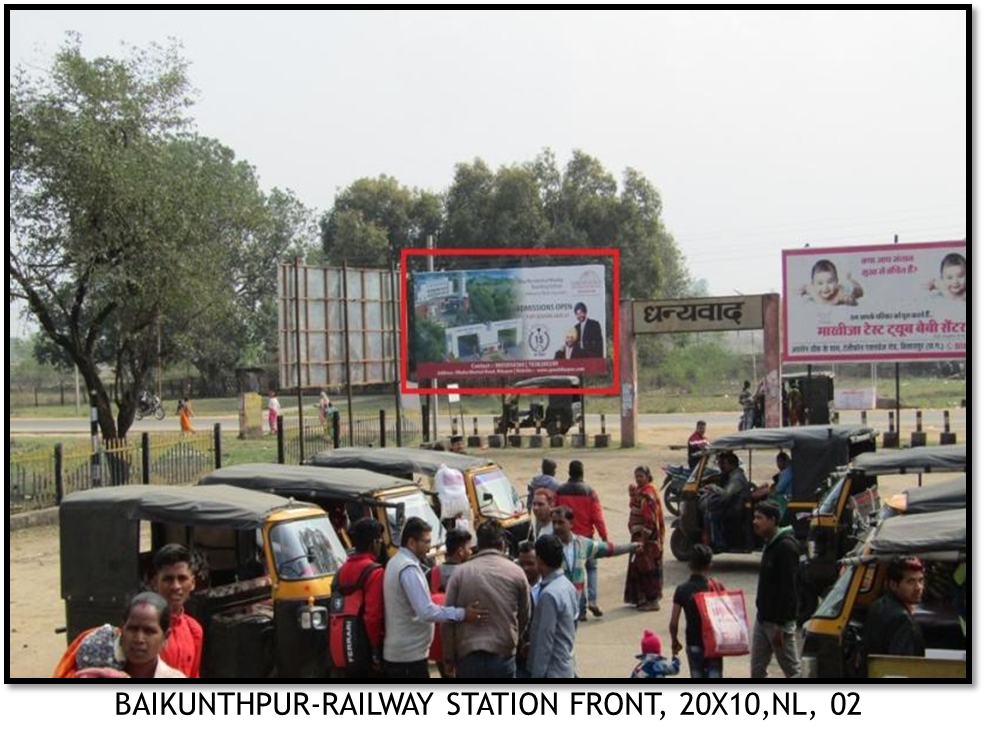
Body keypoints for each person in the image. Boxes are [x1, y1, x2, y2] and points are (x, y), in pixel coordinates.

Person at [382, 517, 486, 678]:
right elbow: (426, 611)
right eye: (426, 542)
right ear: (411, 542)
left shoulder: (396, 562)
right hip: (408, 658)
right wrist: (462, 614)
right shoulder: (408, 568)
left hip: (405, 654)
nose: (429, 547)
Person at [443, 521, 530, 678]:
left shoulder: (460, 573)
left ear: (478, 544)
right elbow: (524, 615)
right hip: (502, 655)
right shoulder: (517, 572)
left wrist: (449, 657)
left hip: (468, 658)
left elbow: (448, 618)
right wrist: (515, 636)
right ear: (502, 544)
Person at [55, 593, 187, 679]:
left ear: (166, 637)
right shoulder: (95, 671)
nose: (139, 639)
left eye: (149, 631)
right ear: (122, 629)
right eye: (132, 629)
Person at [551, 505, 639, 618]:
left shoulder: (582, 544)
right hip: (556, 604)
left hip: (574, 605)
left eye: (560, 523)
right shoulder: (548, 545)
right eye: (554, 523)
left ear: (571, 523)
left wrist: (632, 547)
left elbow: (609, 549)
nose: (556, 527)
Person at [750, 501, 801, 678]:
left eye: (759, 518)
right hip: (763, 619)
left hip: (779, 624)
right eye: (754, 517)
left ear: (772, 520)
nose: (755, 522)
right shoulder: (770, 543)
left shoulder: (785, 547)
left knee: (792, 671)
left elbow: (789, 590)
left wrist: (781, 625)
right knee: (757, 669)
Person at [555, 460, 610, 619]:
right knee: (591, 569)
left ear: (569, 473)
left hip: (567, 539)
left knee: (574, 574)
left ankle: (581, 609)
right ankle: (592, 600)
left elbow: (556, 513)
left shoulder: (560, 491)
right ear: (582, 473)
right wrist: (604, 536)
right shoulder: (589, 491)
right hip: (587, 538)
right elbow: (597, 516)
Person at [335, 518, 386, 677]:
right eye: (380, 540)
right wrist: (375, 650)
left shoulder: (340, 571)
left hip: (343, 649)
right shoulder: (375, 572)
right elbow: (372, 616)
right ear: (374, 543)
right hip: (365, 649)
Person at [860, 557, 926, 675]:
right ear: (893, 585)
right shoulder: (903, 619)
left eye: (920, 580)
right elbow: (900, 670)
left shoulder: (878, 605)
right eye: (911, 581)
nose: (918, 588)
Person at [526, 535, 580, 678]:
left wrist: (536, 675)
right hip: (566, 665)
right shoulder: (568, 586)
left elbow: (545, 641)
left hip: (552, 671)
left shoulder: (549, 595)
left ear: (539, 561)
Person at [669, 544, 724, 678]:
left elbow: (673, 623)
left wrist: (674, 641)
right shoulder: (715, 587)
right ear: (709, 565)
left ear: (689, 564)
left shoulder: (682, 589)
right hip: (714, 643)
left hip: (694, 643)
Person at [152, 544, 203, 678]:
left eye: (182, 578)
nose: (176, 586)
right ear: (155, 583)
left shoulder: (194, 630)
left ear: (192, 583)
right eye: (168, 579)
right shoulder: (145, 627)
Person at [624, 465, 665, 612]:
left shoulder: (648, 495)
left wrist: (643, 538)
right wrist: (632, 495)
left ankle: (652, 600)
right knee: (639, 567)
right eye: (636, 476)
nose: (638, 479)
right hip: (640, 536)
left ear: (648, 477)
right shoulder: (641, 492)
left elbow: (650, 520)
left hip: (647, 539)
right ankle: (642, 598)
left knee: (647, 569)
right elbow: (634, 507)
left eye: (641, 476)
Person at [700, 451, 749, 552]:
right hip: (732, 504)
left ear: (731, 464)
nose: (722, 466)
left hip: (736, 508)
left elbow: (726, 494)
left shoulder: (737, 478)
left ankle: (719, 544)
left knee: (710, 515)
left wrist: (714, 488)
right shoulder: (732, 475)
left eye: (724, 463)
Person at [799, 259, 863, 306]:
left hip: (845, 288)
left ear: (836, 281)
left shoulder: (839, 294)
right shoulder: (812, 290)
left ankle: (849, 279)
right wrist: (802, 290)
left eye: (830, 282)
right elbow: (804, 288)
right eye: (820, 283)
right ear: (813, 284)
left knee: (859, 292)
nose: (825, 287)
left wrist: (849, 299)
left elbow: (850, 299)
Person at [751, 452, 794, 521]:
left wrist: (766, 490)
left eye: (779, 462)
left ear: (784, 461)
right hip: (783, 497)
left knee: (761, 502)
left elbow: (778, 489)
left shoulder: (787, 472)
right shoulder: (786, 471)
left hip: (784, 499)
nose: (778, 465)